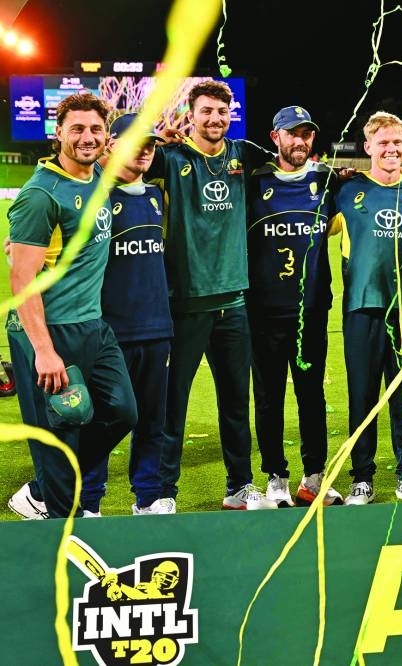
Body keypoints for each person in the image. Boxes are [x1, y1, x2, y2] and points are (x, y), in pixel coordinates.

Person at [5, 92, 137, 519]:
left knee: (121, 412)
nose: (87, 137)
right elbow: (22, 279)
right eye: (77, 128)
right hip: (47, 331)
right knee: (59, 435)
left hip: (92, 326)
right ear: (58, 132)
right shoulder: (41, 194)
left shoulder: (97, 172)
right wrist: (43, 350)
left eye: (96, 129)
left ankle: (43, 488)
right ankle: (62, 526)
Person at [149, 80, 277, 510]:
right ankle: (163, 492)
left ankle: (239, 486)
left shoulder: (243, 153)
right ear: (191, 115)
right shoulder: (171, 157)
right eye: (206, 111)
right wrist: (156, 133)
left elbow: (291, 159)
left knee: (235, 405)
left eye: (222, 112)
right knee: (173, 407)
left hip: (234, 305)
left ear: (231, 114)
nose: (215, 119)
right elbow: (120, 161)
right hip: (185, 306)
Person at [77, 113, 175, 516]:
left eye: (150, 144)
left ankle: (148, 498)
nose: (144, 150)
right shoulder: (93, 195)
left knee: (153, 422)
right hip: (109, 332)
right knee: (104, 420)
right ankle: (89, 503)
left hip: (156, 328)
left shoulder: (157, 196)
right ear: (111, 144)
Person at [246, 106, 342, 507]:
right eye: (291, 134)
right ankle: (276, 477)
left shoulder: (328, 181)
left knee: (311, 395)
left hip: (310, 313)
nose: (299, 141)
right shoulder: (253, 182)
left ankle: (314, 476)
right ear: (276, 138)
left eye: (306, 134)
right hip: (263, 312)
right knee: (268, 398)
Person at [330, 111, 402, 505]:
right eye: (383, 143)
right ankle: (362, 479)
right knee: (362, 396)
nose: (391, 149)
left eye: (397, 143)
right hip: (360, 309)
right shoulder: (346, 193)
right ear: (368, 147)